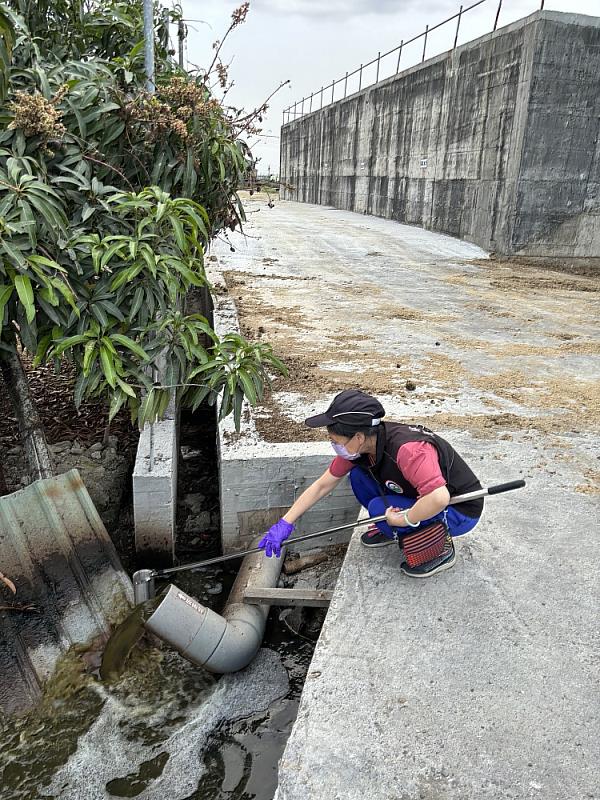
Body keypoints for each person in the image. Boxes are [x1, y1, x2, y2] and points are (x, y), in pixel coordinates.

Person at [257, 389, 484, 577]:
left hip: (458, 509)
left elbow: (439, 497)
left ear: (358, 437)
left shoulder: (409, 450)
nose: (334, 445)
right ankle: (398, 530)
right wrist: (285, 523)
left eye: (336, 441)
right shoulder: (364, 446)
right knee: (359, 478)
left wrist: (405, 518)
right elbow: (322, 485)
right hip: (420, 495)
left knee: (378, 509)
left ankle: (438, 550)